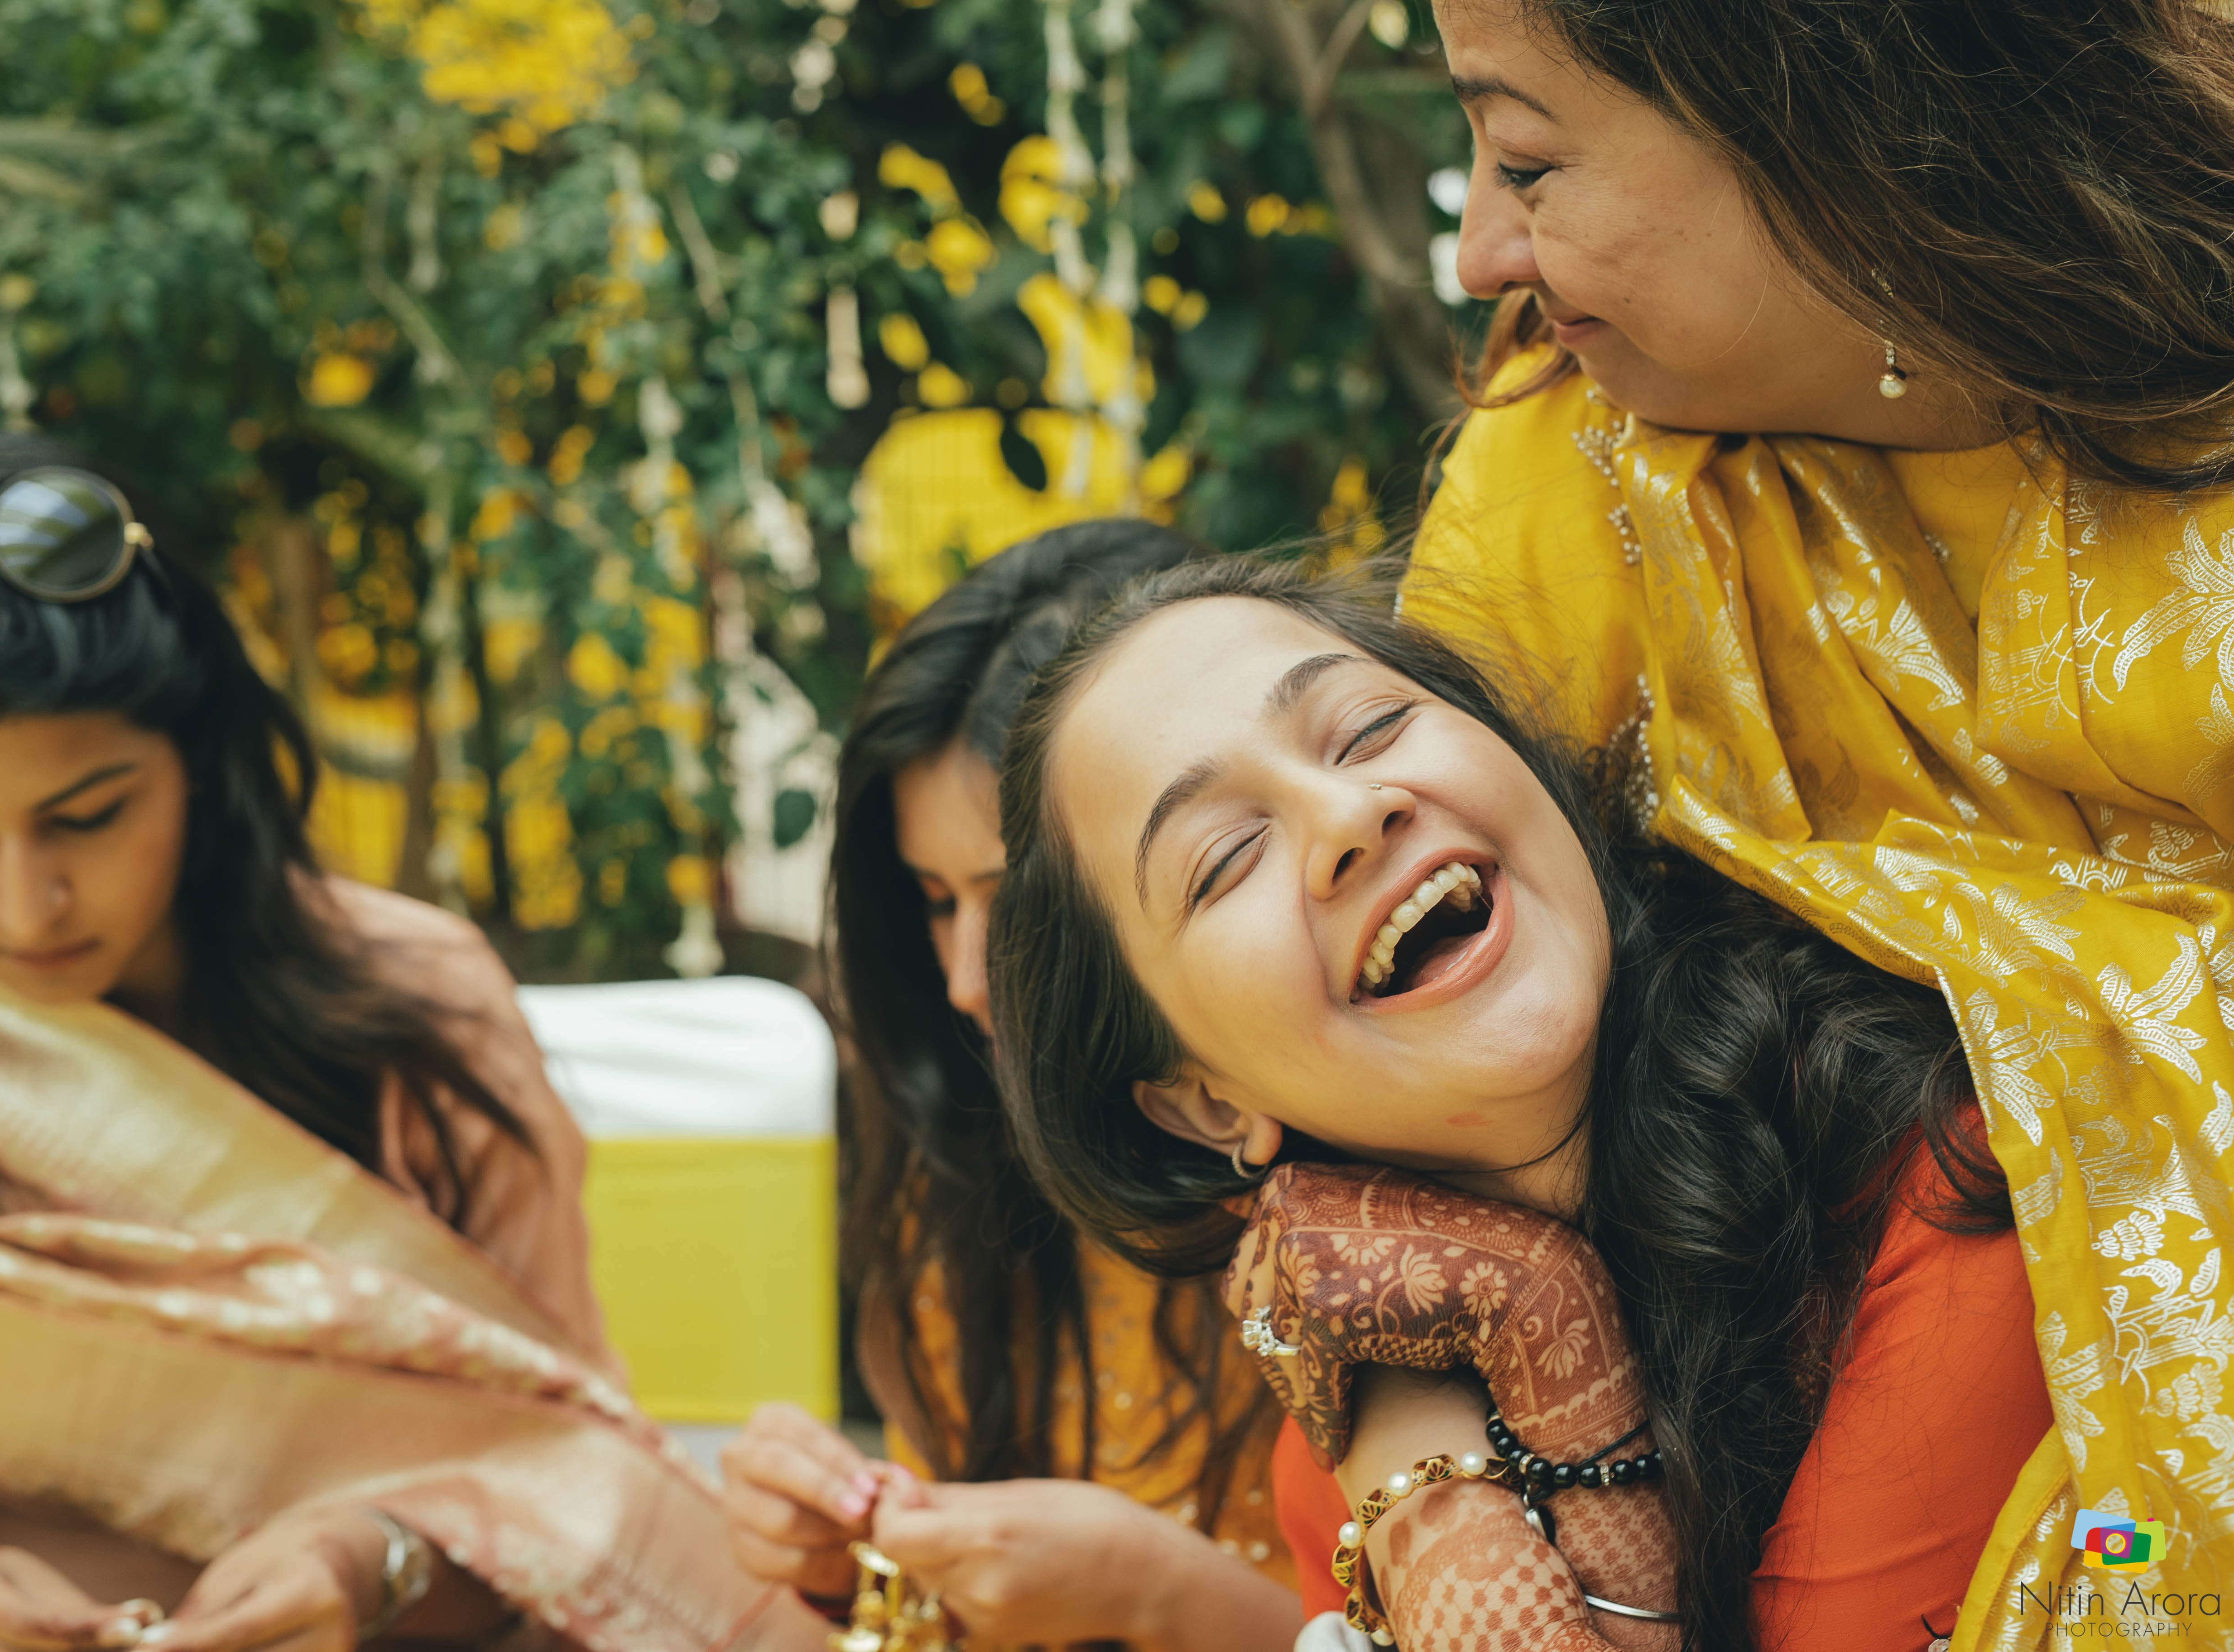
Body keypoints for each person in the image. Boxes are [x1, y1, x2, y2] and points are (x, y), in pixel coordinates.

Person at [1382, 0, 2234, 1641]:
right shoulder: (1575, 477)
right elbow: (1362, 1096)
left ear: (1827, 121)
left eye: (1527, 163)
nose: (1484, 253)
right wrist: (1432, 1495)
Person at [0, 433, 821, 1652]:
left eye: (90, 817)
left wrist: (370, 1566)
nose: (26, 904)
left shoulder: (417, 1013)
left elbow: (566, 1482)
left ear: (197, 759)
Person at [987, 554, 2067, 1649]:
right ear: (1208, 1106)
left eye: (1368, 730)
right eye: (1227, 857)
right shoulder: (1343, 1462)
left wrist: (1528, 1380)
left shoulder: (1950, 1175)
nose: (1352, 812)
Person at [717, 523, 1297, 1648]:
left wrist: (1166, 1598)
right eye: (937, 902)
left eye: (1013, 903)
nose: (964, 981)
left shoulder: (1411, 1226)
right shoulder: (961, 1173)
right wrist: (853, 1562)